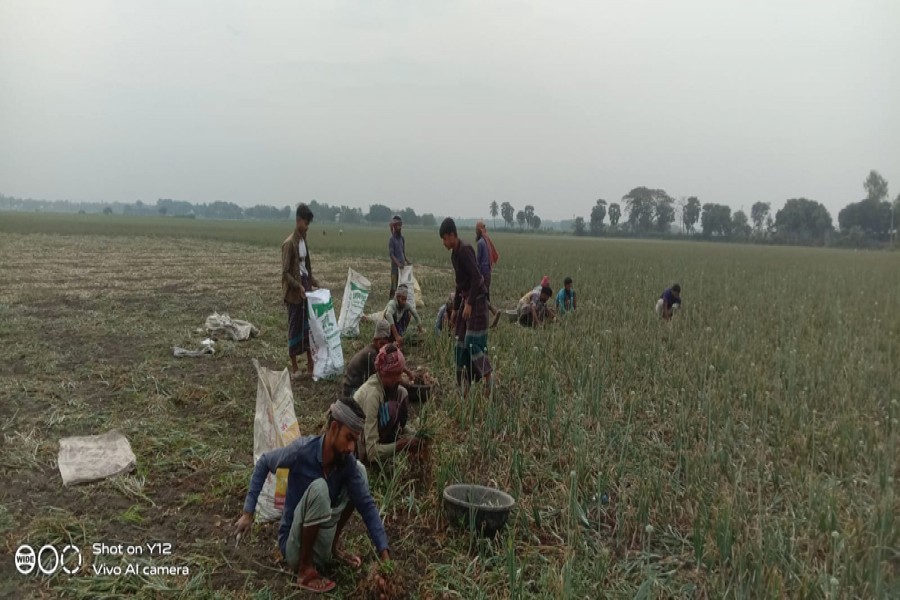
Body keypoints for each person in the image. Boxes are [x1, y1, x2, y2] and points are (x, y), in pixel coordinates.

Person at [234, 398, 391, 594]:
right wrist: (248, 513)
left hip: (321, 539)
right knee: (319, 487)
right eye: (349, 438)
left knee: (360, 472)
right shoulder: (301, 451)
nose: (352, 447)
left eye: (355, 441)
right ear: (334, 428)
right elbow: (264, 462)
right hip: (294, 546)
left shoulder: (346, 462)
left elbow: (366, 505)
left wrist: (385, 557)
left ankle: (332, 548)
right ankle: (305, 569)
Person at [439, 217, 493, 395]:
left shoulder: (465, 250)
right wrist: (455, 309)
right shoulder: (455, 254)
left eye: (445, 238)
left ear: (452, 235)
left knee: (472, 343)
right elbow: (459, 284)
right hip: (465, 300)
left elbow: (478, 278)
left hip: (476, 301)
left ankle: (488, 379)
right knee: (459, 342)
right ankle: (463, 385)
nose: (444, 243)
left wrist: (469, 304)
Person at [354, 344, 425, 464]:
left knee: (402, 393)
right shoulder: (372, 395)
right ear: (384, 374)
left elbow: (401, 423)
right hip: (361, 449)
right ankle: (385, 448)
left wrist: (414, 435)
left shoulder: (389, 387)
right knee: (391, 409)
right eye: (395, 375)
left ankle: (389, 442)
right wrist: (401, 445)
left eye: (400, 373)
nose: (399, 379)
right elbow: (371, 452)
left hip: (377, 436)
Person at [282, 203, 319, 381]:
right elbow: (285, 273)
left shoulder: (304, 242)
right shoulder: (289, 244)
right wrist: (298, 286)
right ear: (298, 221)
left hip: (306, 290)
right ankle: (295, 367)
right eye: (305, 224)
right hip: (294, 294)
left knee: (308, 329)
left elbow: (305, 269)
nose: (307, 227)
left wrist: (315, 283)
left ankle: (311, 364)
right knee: (294, 328)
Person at [341, 319, 391, 398]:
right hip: (351, 391)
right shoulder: (371, 354)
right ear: (375, 340)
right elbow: (381, 378)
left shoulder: (375, 350)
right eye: (381, 343)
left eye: (385, 344)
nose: (383, 347)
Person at [475, 220, 502, 327]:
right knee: (485, 295)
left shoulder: (480, 243)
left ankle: (494, 311)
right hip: (488, 273)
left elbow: (478, 261)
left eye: (476, 230)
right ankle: (491, 315)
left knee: (482, 296)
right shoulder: (486, 241)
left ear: (478, 230)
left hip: (483, 274)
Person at [388, 215, 408, 299]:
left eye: (400, 225)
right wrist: (398, 264)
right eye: (397, 225)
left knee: (402, 287)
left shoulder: (402, 238)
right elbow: (391, 255)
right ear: (394, 227)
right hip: (395, 269)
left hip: (402, 268)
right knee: (393, 287)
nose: (399, 227)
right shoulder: (391, 239)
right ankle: (390, 303)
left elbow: (403, 252)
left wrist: (407, 260)